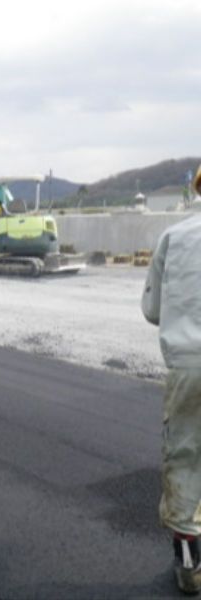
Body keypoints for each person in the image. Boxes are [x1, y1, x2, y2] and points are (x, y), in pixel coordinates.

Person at [141, 164, 201, 595]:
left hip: (188, 365)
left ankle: (188, 566)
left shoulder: (174, 238)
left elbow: (152, 310)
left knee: (184, 459)